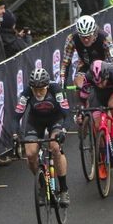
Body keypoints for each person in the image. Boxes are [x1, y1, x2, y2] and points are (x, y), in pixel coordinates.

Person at [15, 67, 70, 206]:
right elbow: (15, 117)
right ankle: (42, 185)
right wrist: (16, 134)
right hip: (35, 122)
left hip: (55, 120)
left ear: (47, 86)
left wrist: (63, 130)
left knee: (55, 147)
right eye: (35, 90)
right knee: (31, 153)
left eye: (41, 89)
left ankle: (64, 189)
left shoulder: (56, 89)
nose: (38, 93)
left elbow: (66, 114)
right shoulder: (27, 93)